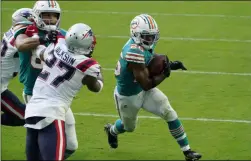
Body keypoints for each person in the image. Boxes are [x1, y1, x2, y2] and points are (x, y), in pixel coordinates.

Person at [104, 14, 202, 161]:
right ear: (136, 34)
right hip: (128, 95)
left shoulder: (142, 45)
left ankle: (187, 151)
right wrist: (165, 73)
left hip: (143, 90)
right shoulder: (133, 52)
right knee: (129, 127)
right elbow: (147, 83)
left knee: (169, 112)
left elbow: (150, 59)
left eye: (152, 36)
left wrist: (169, 65)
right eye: (146, 36)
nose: (150, 40)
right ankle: (112, 131)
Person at [24, 23, 102, 160]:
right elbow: (95, 87)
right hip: (52, 113)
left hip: (32, 109)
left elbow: (41, 51)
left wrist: (38, 37)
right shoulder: (88, 65)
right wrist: (100, 79)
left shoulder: (57, 46)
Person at [14, 0, 78, 158]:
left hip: (56, 95)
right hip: (35, 95)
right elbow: (21, 44)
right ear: (36, 15)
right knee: (38, 142)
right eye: (46, 15)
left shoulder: (62, 34)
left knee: (71, 145)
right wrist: (42, 40)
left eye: (54, 16)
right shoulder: (26, 30)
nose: (50, 19)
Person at [1, 8, 33, 126]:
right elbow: (23, 45)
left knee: (26, 114)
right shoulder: (20, 35)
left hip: (2, 87)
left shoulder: (13, 31)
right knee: (25, 116)